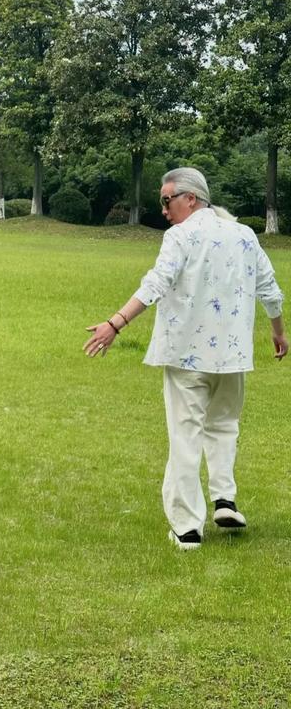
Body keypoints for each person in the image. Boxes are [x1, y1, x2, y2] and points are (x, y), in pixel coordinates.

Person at [83, 167, 287, 550]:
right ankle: (224, 500)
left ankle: (187, 528)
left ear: (190, 199)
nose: (163, 210)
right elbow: (270, 289)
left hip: (186, 354)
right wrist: (278, 331)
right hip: (231, 355)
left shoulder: (180, 236)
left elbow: (156, 283)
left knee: (185, 435)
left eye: (167, 201)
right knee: (224, 426)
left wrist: (115, 323)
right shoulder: (244, 235)